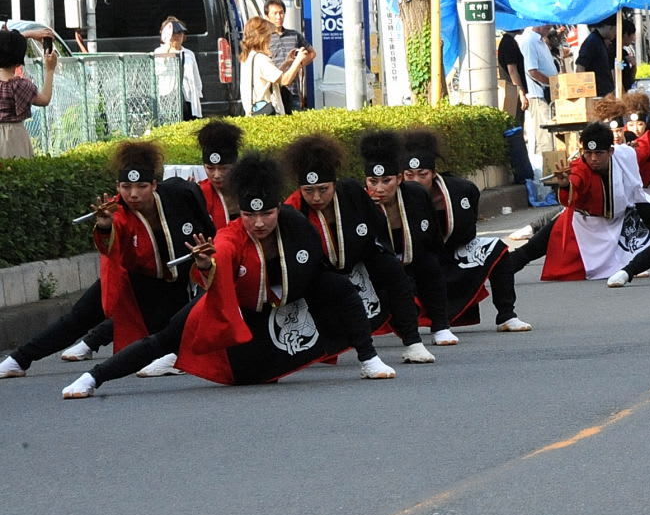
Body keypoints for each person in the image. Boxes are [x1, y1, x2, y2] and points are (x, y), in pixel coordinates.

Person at [61, 153, 396, 397]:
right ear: (241, 214)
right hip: (239, 306)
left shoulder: (297, 225)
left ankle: (369, 359)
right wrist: (206, 265)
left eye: (267, 213)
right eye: (251, 215)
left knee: (340, 288)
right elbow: (217, 265)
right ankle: (94, 377)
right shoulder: (229, 237)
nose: (260, 223)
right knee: (163, 339)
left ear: (278, 209)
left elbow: (316, 268)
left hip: (289, 300)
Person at [1, 141, 211, 380]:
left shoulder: (181, 194)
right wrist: (104, 227)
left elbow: (206, 222)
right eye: (125, 186)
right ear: (117, 186)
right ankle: (19, 359)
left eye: (141, 186)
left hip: (175, 287)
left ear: (154, 184)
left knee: (176, 334)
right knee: (78, 317)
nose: (133, 194)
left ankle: (174, 357)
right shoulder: (115, 212)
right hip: (132, 281)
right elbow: (110, 246)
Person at [283, 134, 436, 363]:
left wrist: (382, 258)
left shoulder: (352, 193)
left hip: (358, 259)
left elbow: (377, 229)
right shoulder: (292, 210)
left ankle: (413, 341)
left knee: (393, 270)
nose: (316, 197)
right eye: (309, 190)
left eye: (323, 189)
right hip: (318, 272)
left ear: (334, 184)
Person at [400, 129, 526, 331]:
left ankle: (506, 315)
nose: (415, 180)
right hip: (414, 259)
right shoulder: (394, 196)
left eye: (422, 175)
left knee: (497, 247)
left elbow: (469, 231)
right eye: (409, 175)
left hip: (453, 251)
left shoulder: (461, 190)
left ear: (433, 173)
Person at [361, 130, 458, 345]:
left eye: (386, 180)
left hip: (411, 258)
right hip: (375, 266)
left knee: (431, 264)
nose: (379, 188)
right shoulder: (359, 203)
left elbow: (432, 239)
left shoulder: (416, 195)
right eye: (372, 181)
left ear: (398, 178)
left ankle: (441, 326)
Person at [542, 121, 650, 281]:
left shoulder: (625, 154)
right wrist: (566, 185)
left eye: (599, 153)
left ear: (611, 151)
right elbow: (576, 180)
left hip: (620, 217)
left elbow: (646, 150)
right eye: (588, 153)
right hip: (586, 224)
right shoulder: (580, 167)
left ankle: (639, 259)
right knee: (532, 247)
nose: (593, 159)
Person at [518, 23, 560, 205]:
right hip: (540, 96)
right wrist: (552, 84)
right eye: (546, 23)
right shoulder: (529, 40)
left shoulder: (541, 41)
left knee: (553, 141)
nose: (549, 26)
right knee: (545, 141)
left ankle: (554, 184)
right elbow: (532, 71)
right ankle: (547, 187)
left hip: (549, 96)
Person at [241, 15, 313, 115]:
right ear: (262, 37)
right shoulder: (261, 59)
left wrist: (287, 63)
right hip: (266, 114)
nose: (270, 39)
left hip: (255, 111)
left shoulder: (249, 56)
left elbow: (272, 78)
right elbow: (284, 80)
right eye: (268, 35)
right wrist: (298, 60)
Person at [0, 27, 54, 158]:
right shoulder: (21, 85)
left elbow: (7, 46)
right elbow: (45, 99)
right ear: (19, 59)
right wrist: (50, 70)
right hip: (15, 137)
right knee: (17, 174)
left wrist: (27, 35)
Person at [264, 0, 313, 113]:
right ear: (267, 16)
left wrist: (298, 64)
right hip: (273, 92)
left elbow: (312, 53)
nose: (279, 17)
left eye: (281, 13)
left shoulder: (294, 35)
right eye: (275, 13)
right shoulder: (264, 38)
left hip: (293, 91)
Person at [196, 119, 244, 230]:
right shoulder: (199, 194)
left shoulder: (249, 190)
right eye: (210, 168)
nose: (216, 175)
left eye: (224, 168)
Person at [153, 16, 203, 120]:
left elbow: (196, 78)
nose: (177, 36)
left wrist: (197, 96)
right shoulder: (158, 52)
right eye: (173, 33)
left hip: (188, 98)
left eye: (180, 33)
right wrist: (168, 49)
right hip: (167, 98)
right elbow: (159, 70)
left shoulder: (189, 54)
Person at [498, 29, 528, 123]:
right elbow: (512, 70)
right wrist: (521, 93)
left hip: (512, 90)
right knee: (515, 124)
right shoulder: (508, 43)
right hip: (513, 91)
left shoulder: (509, 41)